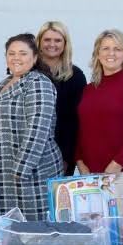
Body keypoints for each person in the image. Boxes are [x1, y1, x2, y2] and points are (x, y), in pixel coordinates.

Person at [0, 34, 63, 221]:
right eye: (11, 53)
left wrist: (20, 171)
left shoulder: (38, 82)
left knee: (31, 232)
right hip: (1, 169)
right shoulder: (5, 83)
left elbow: (38, 128)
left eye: (23, 53)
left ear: (34, 58)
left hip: (29, 174)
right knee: (6, 233)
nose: (16, 57)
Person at [75, 30, 123, 175]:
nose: (111, 53)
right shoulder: (89, 89)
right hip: (90, 171)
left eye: (117, 49)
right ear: (98, 53)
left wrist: (118, 163)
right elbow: (82, 128)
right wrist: (79, 160)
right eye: (106, 48)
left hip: (122, 170)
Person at [36, 21, 86, 175]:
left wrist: (66, 157)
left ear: (65, 44)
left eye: (57, 40)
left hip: (61, 153)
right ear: (39, 42)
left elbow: (76, 120)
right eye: (47, 40)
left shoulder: (75, 75)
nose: (52, 44)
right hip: (31, 151)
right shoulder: (29, 71)